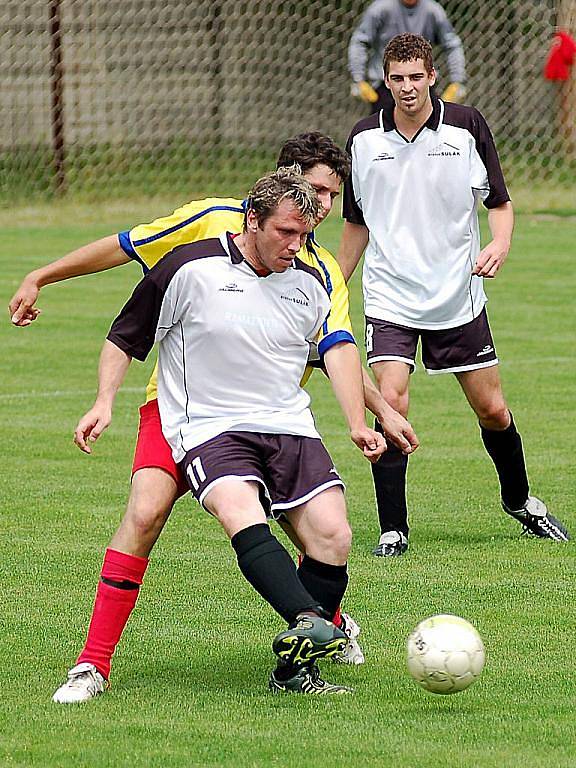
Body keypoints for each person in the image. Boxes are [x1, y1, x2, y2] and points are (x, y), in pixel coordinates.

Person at [9, 133, 418, 702]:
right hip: (183, 407)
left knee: (325, 529)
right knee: (148, 510)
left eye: (331, 196)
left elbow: (335, 351)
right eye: (315, 191)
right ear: (269, 197)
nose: (323, 207)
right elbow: (124, 255)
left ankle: (315, 629)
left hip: (274, 417)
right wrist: (42, 277)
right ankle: (92, 664)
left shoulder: (320, 269)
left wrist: (373, 414)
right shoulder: (203, 228)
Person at [338, 33, 570, 557]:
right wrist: (334, 285)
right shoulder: (363, 138)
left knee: (491, 408)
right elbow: (356, 223)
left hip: (456, 296)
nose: (406, 88)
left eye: (415, 77)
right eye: (396, 78)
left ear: (431, 76)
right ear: (386, 79)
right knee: (391, 400)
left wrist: (501, 245)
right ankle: (393, 528)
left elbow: (501, 204)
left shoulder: (466, 127)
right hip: (390, 295)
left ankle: (520, 501)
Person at [348, 0, 466, 113]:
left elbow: (452, 45)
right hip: (385, 87)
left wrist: (457, 81)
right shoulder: (380, 9)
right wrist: (358, 79)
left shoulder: (433, 11)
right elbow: (359, 41)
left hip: (422, 84)